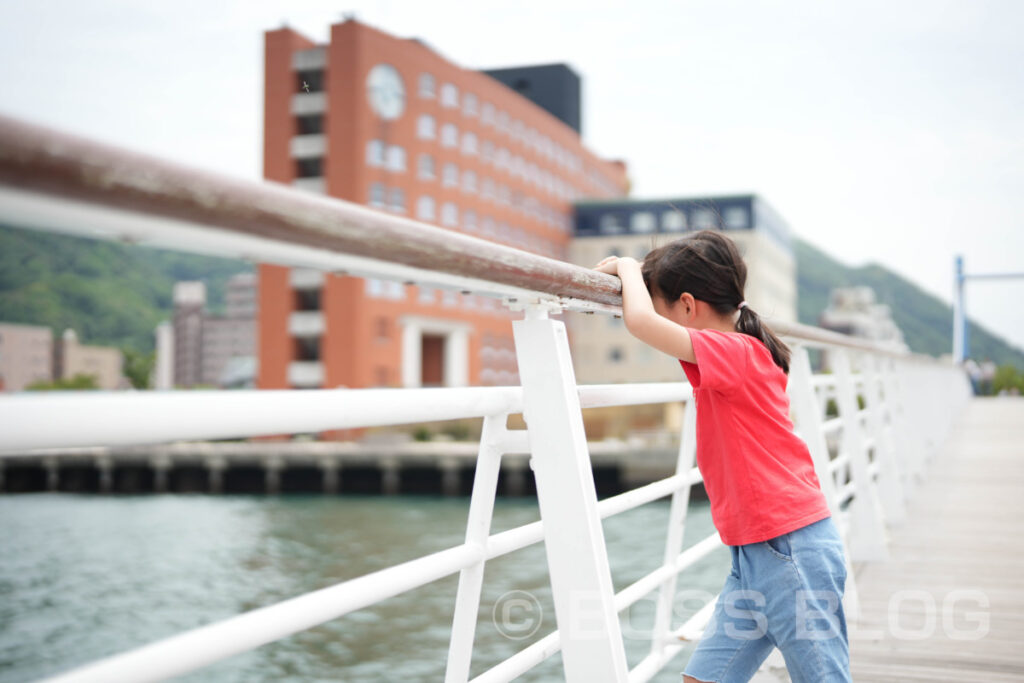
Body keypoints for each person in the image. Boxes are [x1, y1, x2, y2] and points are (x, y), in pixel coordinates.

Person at [593, 230, 851, 683]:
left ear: (688, 306)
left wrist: (630, 269)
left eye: (664, 309)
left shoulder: (735, 352)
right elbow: (646, 319)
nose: (660, 320)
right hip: (756, 555)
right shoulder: (733, 354)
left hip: (789, 548)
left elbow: (638, 322)